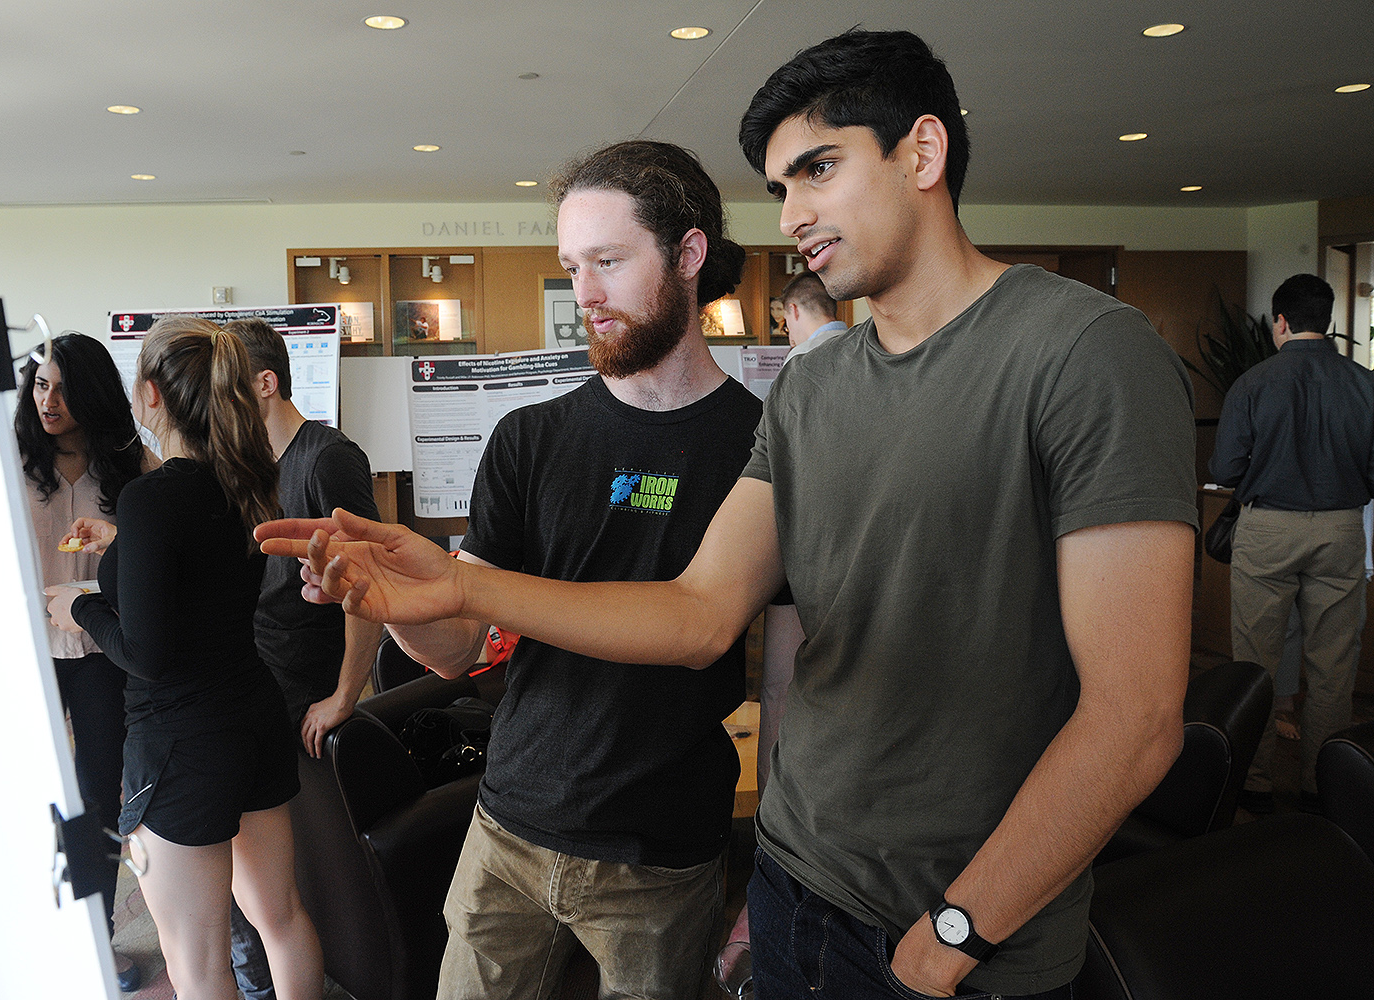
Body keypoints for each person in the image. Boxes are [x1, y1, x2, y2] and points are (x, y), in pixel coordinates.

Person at [260, 30, 1197, 1000]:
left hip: (950, 935)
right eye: (779, 186)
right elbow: (700, 610)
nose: (791, 214)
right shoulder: (813, 388)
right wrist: (458, 581)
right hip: (793, 886)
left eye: (818, 170)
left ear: (923, 153)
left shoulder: (1084, 354)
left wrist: (950, 937)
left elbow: (1134, 718)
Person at [277, 140, 764, 1000]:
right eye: (573, 267)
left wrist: (775, 870)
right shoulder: (529, 439)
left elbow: (780, 663)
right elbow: (458, 649)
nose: (586, 296)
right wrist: (390, 600)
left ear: (689, 255)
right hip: (508, 823)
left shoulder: (761, 445)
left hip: (663, 849)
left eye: (610, 262)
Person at [46, 316, 324, 1000]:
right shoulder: (243, 485)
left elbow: (144, 653)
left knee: (196, 965)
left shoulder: (153, 498)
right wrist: (122, 542)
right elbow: (195, 576)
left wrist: (76, 607)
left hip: (181, 743)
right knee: (281, 917)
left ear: (151, 396)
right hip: (252, 717)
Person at [219, 317, 384, 1000]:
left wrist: (345, 693)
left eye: (228, 389)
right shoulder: (250, 467)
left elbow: (368, 586)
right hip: (254, 684)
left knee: (306, 872)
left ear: (265, 383)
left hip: (303, 691)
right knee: (251, 877)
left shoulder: (326, 458)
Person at [16, 332, 156, 993]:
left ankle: (96, 939)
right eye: (41, 384)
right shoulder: (8, 462)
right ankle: (35, 937)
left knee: (98, 792)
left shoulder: (135, 465)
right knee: (30, 796)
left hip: (103, 647)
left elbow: (166, 549)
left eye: (65, 387)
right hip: (27, 653)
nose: (50, 399)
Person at [1208, 273, 1374, 814]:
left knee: (1255, 660)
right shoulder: (1366, 383)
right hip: (1342, 528)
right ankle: (1322, 784)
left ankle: (1252, 782)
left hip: (1268, 531)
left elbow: (1226, 468)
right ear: (1326, 321)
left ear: (1280, 322)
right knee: (1334, 663)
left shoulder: (1254, 383)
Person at [778, 271, 845, 360]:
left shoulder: (801, 356)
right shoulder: (862, 344)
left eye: (787, 327)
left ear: (794, 310)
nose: (792, 342)